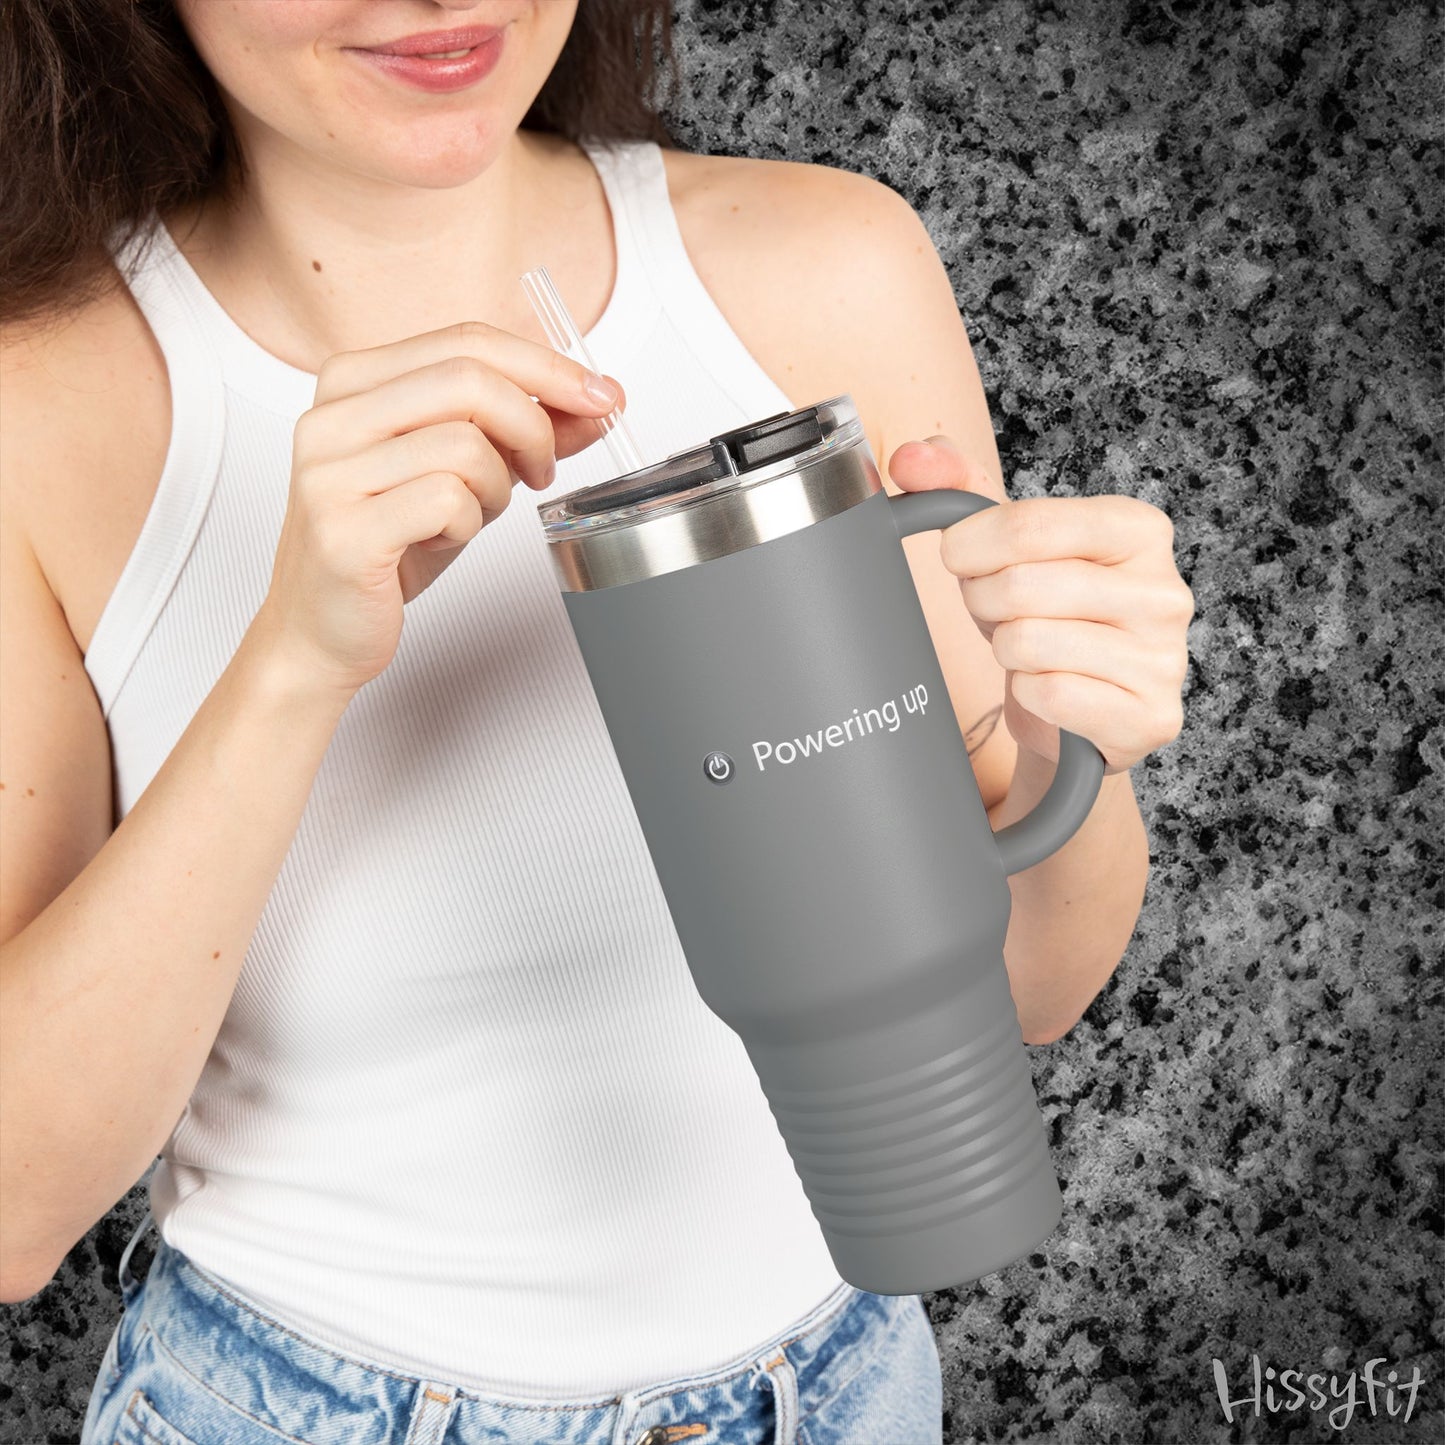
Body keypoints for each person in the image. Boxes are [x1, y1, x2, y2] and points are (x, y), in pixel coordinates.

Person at [0, 2, 1193, 1442]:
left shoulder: (826, 266)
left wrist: (1068, 739)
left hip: (840, 1389)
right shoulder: (37, 401)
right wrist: (293, 662)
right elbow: (13, 1210)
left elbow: (1027, 989)